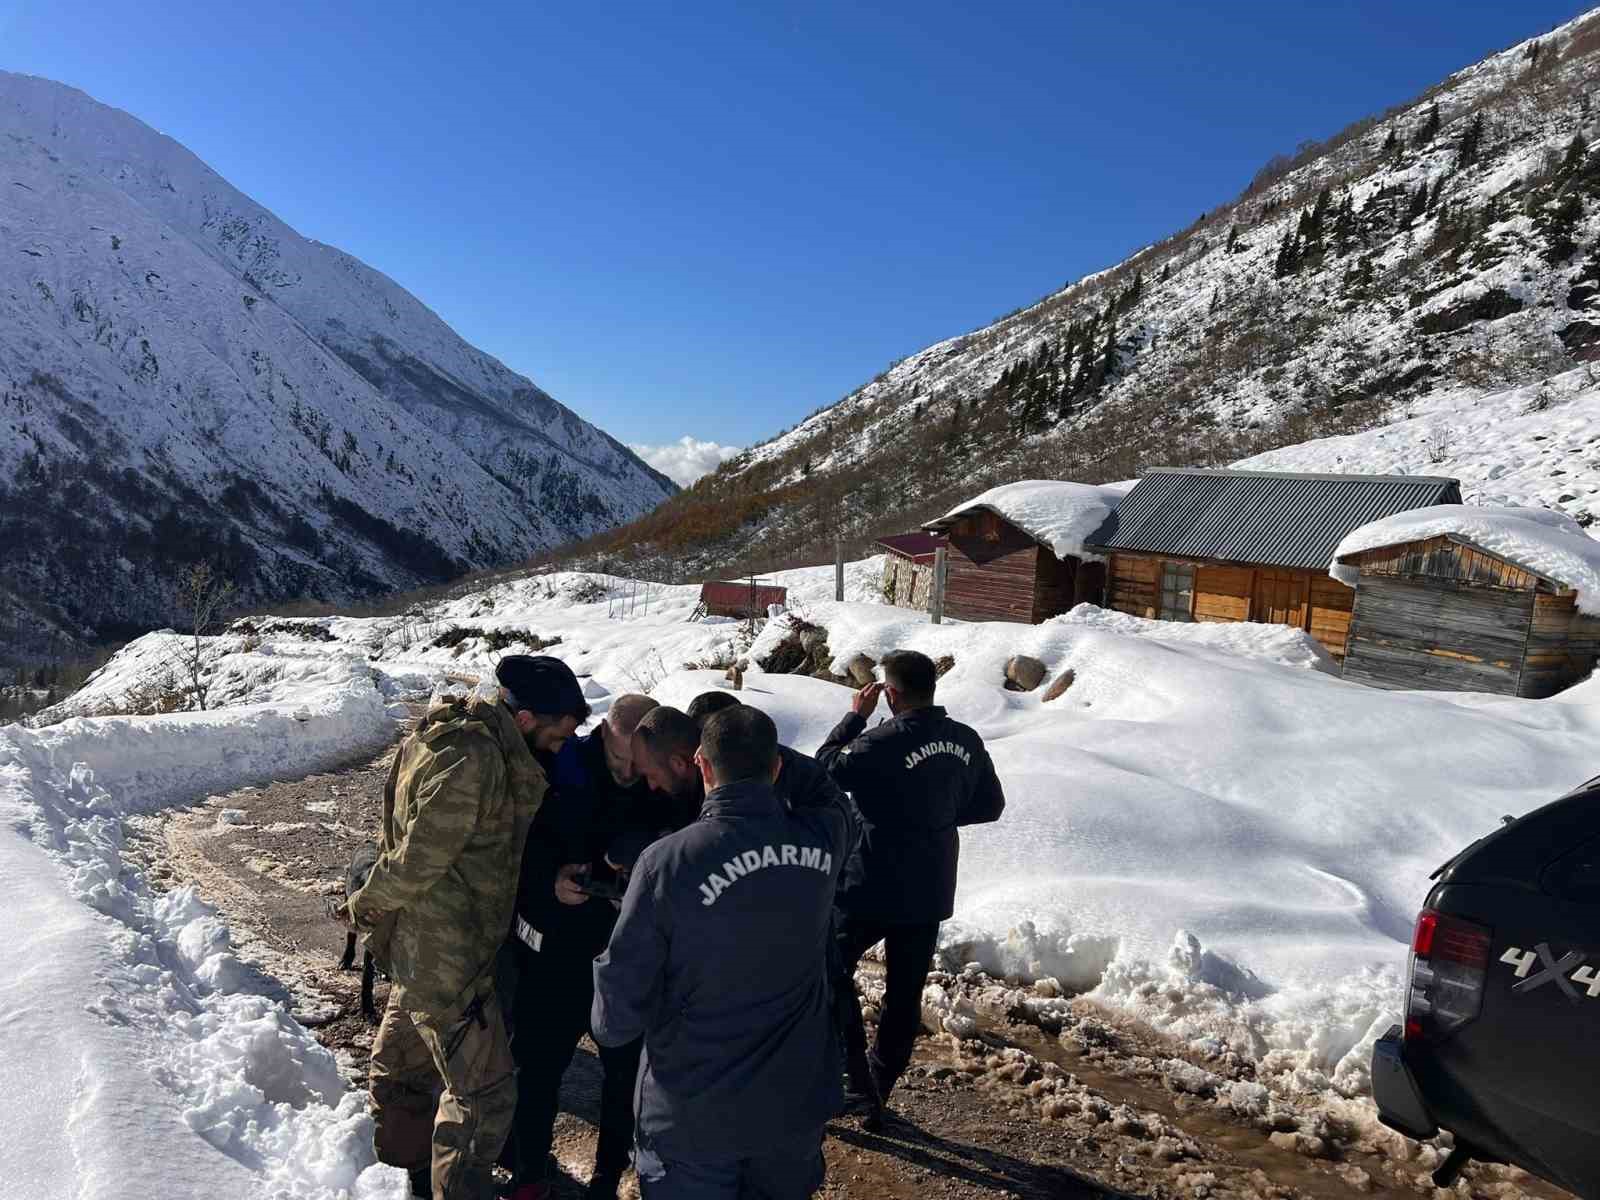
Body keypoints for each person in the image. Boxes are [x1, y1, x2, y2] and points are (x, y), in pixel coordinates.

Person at [346, 655, 587, 1200]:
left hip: (426, 946)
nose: (562, 743)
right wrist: (363, 907)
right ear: (525, 719)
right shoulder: (473, 758)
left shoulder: (471, 739)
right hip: (446, 951)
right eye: (558, 732)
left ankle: (404, 1172)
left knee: (407, 1058)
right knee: (484, 1095)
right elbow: (416, 858)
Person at [592, 705, 858, 1199]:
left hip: (693, 1114)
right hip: (792, 1107)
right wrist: (767, 753)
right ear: (777, 767)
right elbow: (825, 790)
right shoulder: (825, 837)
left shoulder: (665, 864)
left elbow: (615, 1019)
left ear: (702, 766)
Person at [815, 649, 1005, 1127]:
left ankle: (854, 1077)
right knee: (904, 992)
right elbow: (990, 805)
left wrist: (853, 718)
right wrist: (935, 817)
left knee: (826, 967)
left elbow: (825, 768)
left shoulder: (881, 740)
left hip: (870, 883)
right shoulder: (966, 739)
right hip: (929, 886)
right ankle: (878, 1087)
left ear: (891, 694)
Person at [505, 693, 659, 1200]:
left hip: (625, 948)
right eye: (620, 758)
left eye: (639, 761)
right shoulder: (558, 763)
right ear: (605, 736)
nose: (630, 771)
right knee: (538, 1065)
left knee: (622, 1076)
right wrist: (550, 881)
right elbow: (509, 844)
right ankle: (529, 1171)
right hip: (556, 944)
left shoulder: (660, 777)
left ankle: (606, 1178)